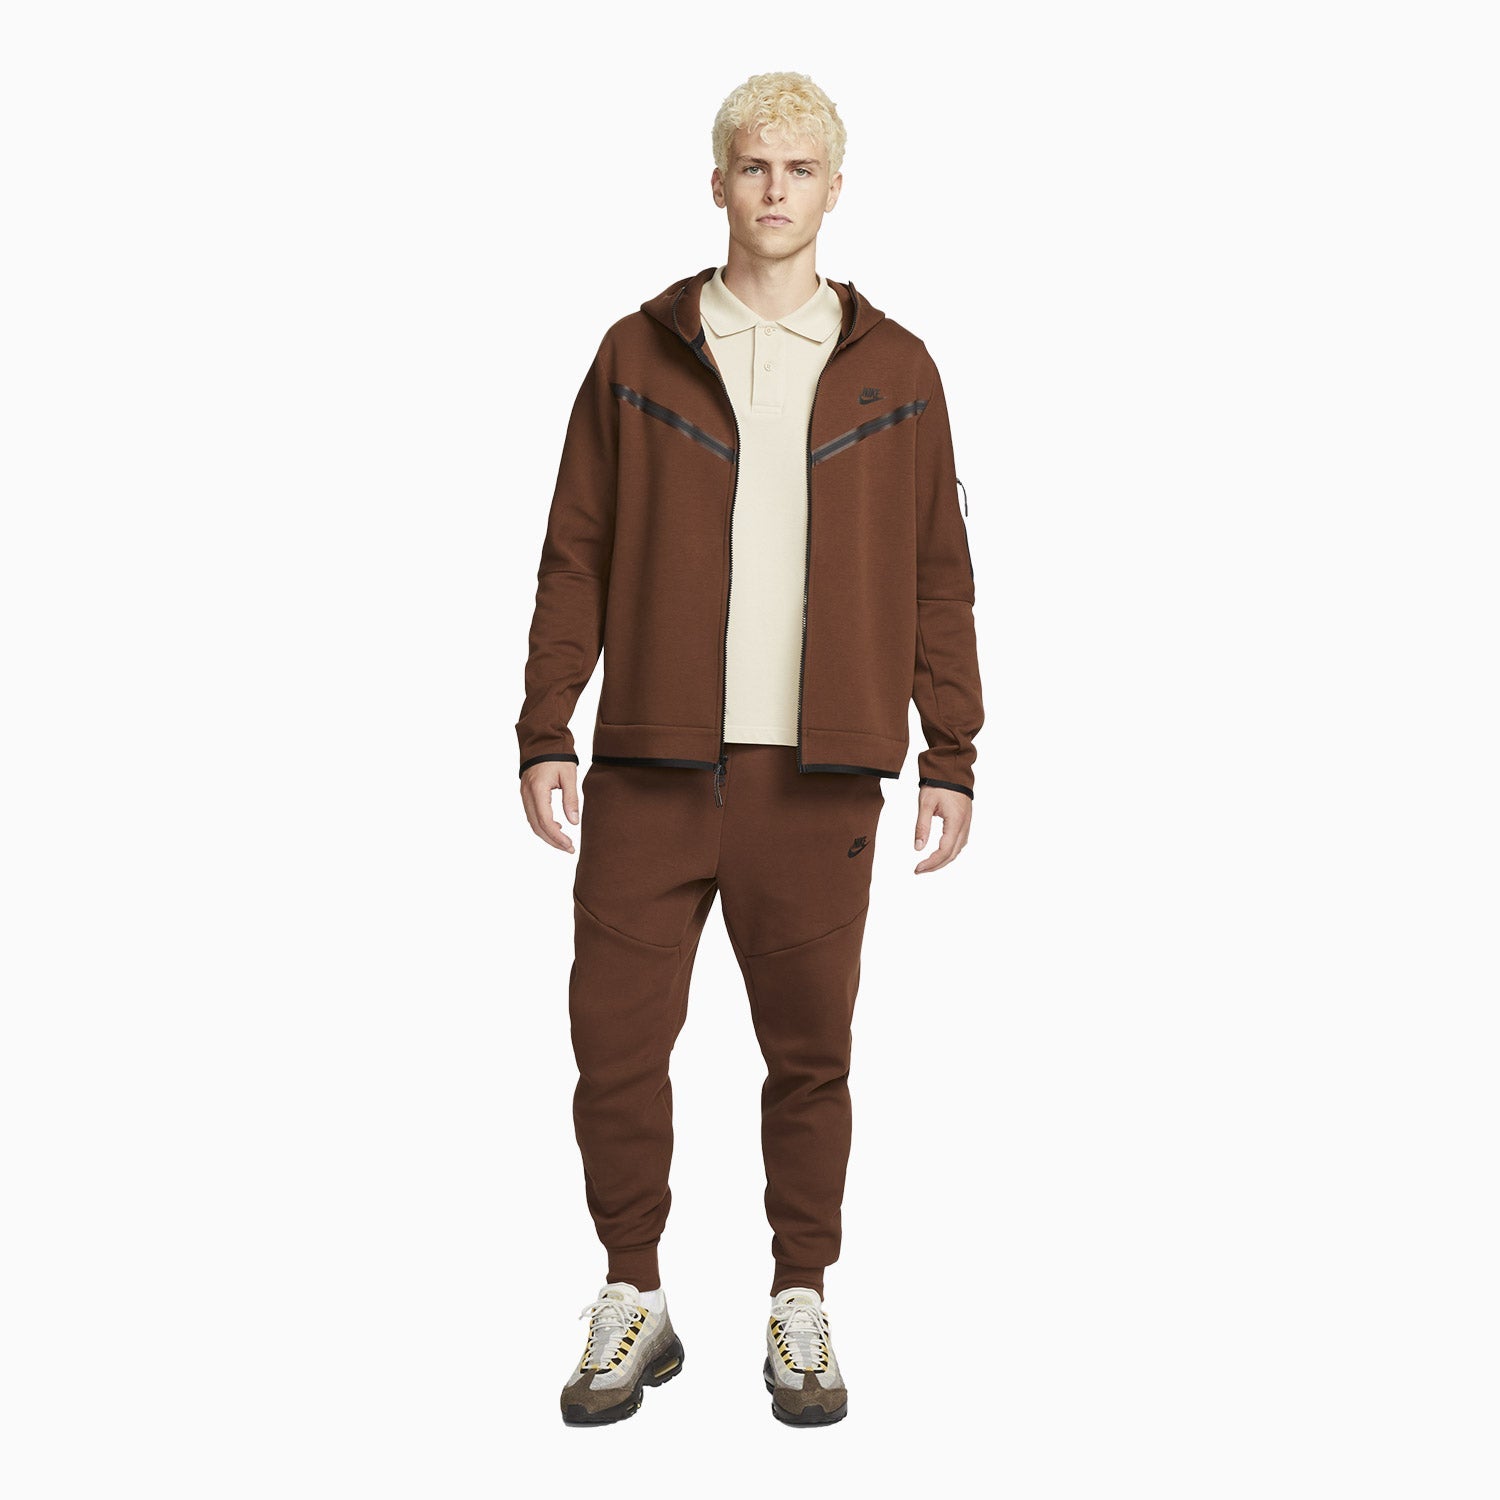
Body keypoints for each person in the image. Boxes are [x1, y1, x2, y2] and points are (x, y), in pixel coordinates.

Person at [516, 70, 984, 1427]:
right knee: (614, 1049)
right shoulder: (637, 353)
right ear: (716, 181)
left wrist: (951, 747)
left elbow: (939, 572)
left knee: (811, 1057)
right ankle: (632, 1292)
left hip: (818, 776)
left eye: (800, 169)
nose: (775, 191)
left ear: (835, 188)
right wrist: (547, 723)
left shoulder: (899, 370)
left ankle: (800, 1297)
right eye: (753, 167)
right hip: (650, 769)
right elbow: (573, 553)